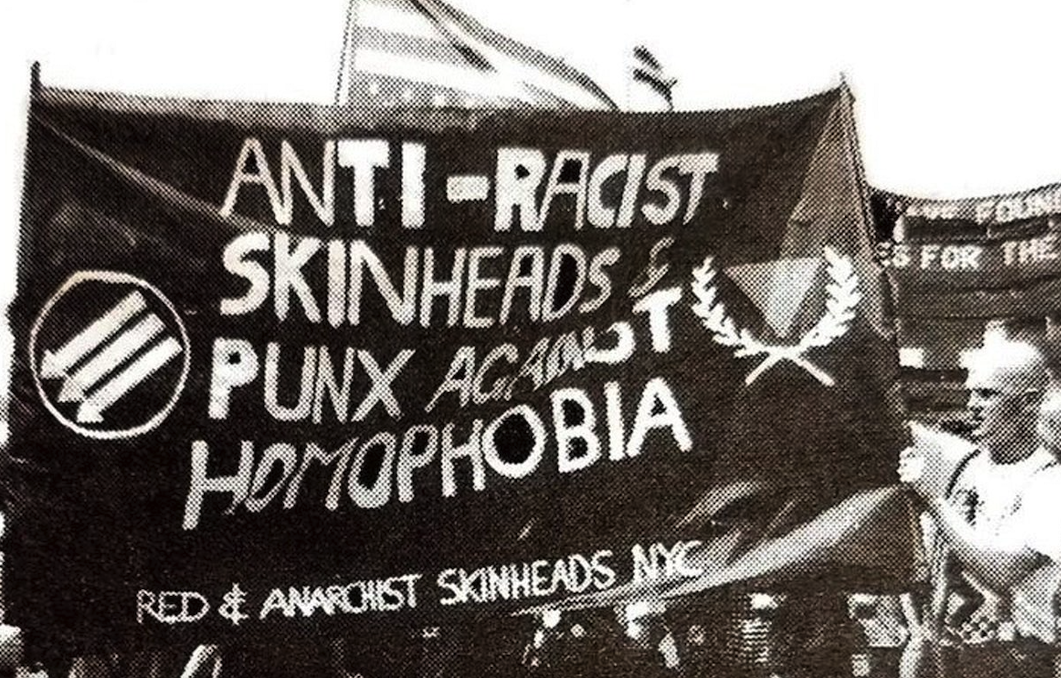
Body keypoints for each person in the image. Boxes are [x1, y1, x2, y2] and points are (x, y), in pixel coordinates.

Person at [898, 338, 1061, 677]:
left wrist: (932, 500)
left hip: (1018, 661)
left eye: (987, 394)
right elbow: (889, 425)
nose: (972, 404)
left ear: (1029, 402)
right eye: (971, 392)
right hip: (951, 658)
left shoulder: (1049, 483)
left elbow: (999, 571)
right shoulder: (966, 466)